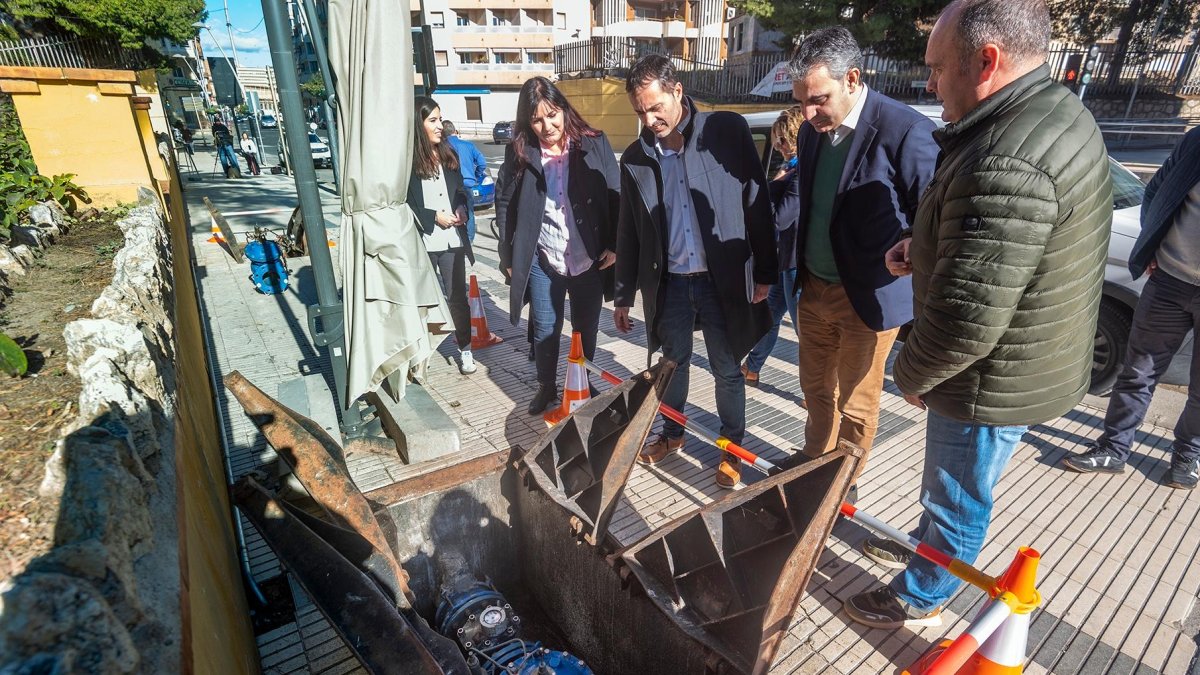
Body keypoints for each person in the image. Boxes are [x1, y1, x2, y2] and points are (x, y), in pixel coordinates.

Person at [843, 0, 1111, 630]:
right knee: (955, 490)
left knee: (956, 493)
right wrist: (929, 243)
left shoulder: (1007, 159)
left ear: (986, 62)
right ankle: (928, 552)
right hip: (1023, 356)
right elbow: (1006, 249)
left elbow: (967, 319)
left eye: (937, 69)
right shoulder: (1046, 113)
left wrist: (909, 373)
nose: (930, 85)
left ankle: (924, 592)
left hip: (989, 378)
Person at [614, 54, 778, 489]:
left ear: (677, 92)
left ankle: (732, 448)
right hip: (669, 284)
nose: (649, 120)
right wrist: (623, 293)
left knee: (727, 367)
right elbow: (628, 230)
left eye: (656, 107)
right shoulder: (635, 159)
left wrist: (766, 271)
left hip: (718, 281)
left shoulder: (725, 132)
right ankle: (672, 434)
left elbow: (756, 202)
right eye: (640, 112)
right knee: (675, 365)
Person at [784, 28, 938, 471]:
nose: (808, 112)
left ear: (852, 79)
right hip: (814, 291)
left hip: (867, 297)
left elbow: (931, 216)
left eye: (818, 99)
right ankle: (814, 465)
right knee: (815, 390)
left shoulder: (904, 129)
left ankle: (841, 485)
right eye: (801, 101)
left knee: (856, 403)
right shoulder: (812, 132)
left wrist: (912, 240)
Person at [1061, 126, 1200, 489]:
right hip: (1170, 280)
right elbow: (1157, 190)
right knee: (1138, 371)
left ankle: (1187, 456)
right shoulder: (1197, 140)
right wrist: (1150, 242)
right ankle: (1113, 448)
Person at [495, 77, 621, 415]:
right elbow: (505, 203)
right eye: (537, 119)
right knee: (546, 328)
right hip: (543, 257)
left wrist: (614, 244)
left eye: (552, 115)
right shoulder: (520, 151)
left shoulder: (593, 143)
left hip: (588, 258)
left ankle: (583, 377)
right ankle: (546, 386)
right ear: (527, 121)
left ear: (563, 109)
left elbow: (615, 195)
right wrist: (508, 256)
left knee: (586, 327)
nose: (547, 126)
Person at [409, 96, 476, 375]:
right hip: (422, 240)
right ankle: (419, 356)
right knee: (420, 299)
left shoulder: (449, 154)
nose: (440, 126)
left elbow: (461, 190)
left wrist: (461, 207)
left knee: (457, 297)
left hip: (452, 240)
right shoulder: (406, 160)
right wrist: (433, 216)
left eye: (440, 119)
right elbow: (403, 201)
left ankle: (466, 350)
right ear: (418, 124)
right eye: (432, 121)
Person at [741, 108, 805, 390]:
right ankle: (752, 367)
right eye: (776, 141)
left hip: (796, 262)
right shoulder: (791, 168)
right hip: (783, 259)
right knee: (769, 315)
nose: (778, 147)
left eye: (783, 141)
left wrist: (772, 187)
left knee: (806, 332)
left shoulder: (801, 171)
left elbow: (781, 218)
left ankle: (814, 391)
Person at [443, 120, 488, 241]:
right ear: (455, 131)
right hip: (467, 183)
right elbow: (482, 163)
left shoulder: (442, 147)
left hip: (449, 184)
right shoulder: (469, 145)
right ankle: (469, 239)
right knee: (469, 212)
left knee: (451, 212)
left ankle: (455, 239)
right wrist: (476, 176)